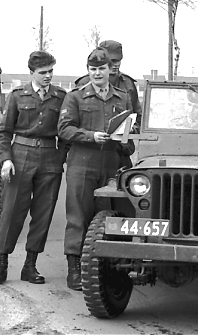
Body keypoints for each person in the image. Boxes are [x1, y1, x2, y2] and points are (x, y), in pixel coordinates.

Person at [0, 51, 67, 285]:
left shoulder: (61, 97)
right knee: (11, 212)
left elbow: (66, 130)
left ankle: (30, 266)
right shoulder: (17, 96)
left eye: (51, 71)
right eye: (43, 73)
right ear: (31, 73)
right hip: (20, 157)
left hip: (50, 159)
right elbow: (3, 132)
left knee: (43, 213)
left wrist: (59, 157)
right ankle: (1, 265)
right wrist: (6, 159)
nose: (48, 76)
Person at [58, 47, 133, 290]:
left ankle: (106, 268)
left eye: (101, 69)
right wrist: (91, 135)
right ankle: (74, 269)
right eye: (93, 69)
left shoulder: (122, 97)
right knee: (78, 216)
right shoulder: (76, 97)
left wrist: (126, 140)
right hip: (82, 162)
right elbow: (64, 129)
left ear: (109, 70)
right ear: (88, 71)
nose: (97, 73)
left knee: (108, 216)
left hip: (112, 163)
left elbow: (132, 127)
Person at [75, 40, 140, 169]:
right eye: (112, 61)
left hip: (120, 150)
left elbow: (137, 115)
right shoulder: (84, 84)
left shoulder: (128, 84)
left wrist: (132, 129)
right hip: (89, 149)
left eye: (118, 61)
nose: (115, 65)